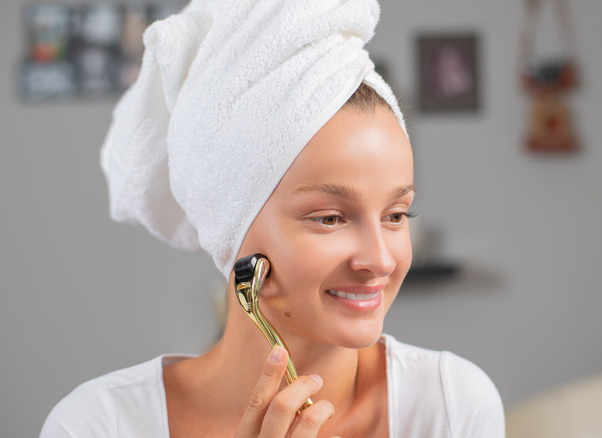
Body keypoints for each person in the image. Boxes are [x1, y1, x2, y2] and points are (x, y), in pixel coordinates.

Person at [41, 0, 504, 437]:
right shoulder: (98, 424)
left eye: (396, 215)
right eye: (330, 218)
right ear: (231, 230)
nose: (380, 260)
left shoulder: (450, 403)